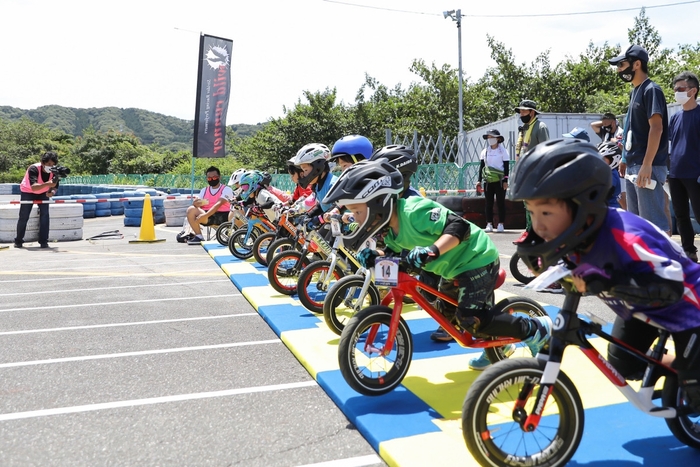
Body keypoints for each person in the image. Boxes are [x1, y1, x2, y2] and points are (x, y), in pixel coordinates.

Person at [509, 138, 700, 412]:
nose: (538, 225)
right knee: (623, 364)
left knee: (697, 391)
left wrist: (607, 281)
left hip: (690, 307)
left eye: (546, 212)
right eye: (532, 212)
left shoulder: (628, 238)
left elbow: (670, 286)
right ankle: (679, 372)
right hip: (641, 309)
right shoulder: (576, 234)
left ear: (582, 206)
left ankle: (689, 377)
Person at [322, 159, 552, 370]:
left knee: (470, 317)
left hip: (476, 258)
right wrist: (374, 256)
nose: (355, 218)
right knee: (445, 315)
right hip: (451, 268)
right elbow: (392, 253)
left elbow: (459, 227)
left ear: (378, 202)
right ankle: (498, 345)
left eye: (357, 211)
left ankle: (535, 328)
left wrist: (433, 250)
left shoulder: (414, 211)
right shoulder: (389, 231)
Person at [608, 44, 670, 235]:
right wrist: (625, 158)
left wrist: (647, 164)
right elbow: (631, 130)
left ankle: (663, 262)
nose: (619, 69)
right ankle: (642, 264)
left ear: (636, 64)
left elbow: (656, 128)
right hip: (635, 165)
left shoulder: (651, 90)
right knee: (637, 225)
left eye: (621, 64)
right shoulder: (635, 91)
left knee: (654, 225)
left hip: (647, 166)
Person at [668, 71, 700, 263]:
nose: (676, 92)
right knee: (681, 215)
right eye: (675, 89)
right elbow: (674, 144)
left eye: (681, 89)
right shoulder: (675, 117)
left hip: (695, 173)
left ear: (693, 91)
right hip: (676, 173)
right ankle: (689, 252)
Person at [15, 151, 60, 249]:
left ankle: (44, 241)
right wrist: (48, 184)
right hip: (28, 191)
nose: (51, 166)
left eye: (53, 164)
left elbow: (55, 186)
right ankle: (18, 240)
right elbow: (34, 187)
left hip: (43, 193)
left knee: (45, 215)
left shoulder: (55, 171)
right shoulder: (34, 169)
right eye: (48, 164)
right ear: (43, 163)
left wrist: (52, 193)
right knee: (24, 216)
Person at [185, 166, 234, 245]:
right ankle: (199, 236)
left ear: (219, 177)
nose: (212, 180)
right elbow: (197, 203)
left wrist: (205, 216)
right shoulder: (204, 190)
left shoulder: (226, 189)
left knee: (211, 210)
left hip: (223, 216)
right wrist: (196, 203)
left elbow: (218, 204)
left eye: (214, 178)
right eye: (209, 178)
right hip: (207, 215)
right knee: (191, 209)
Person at [476, 129, 509, 233]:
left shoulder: (503, 151)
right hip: (488, 181)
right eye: (488, 138)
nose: (490, 140)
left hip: (499, 180)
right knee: (488, 203)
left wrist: (505, 181)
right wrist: (479, 180)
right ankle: (489, 223)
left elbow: (506, 167)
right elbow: (482, 167)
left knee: (500, 202)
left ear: (498, 139)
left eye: (492, 137)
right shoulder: (485, 151)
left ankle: (501, 224)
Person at [599, 142, 622, 209]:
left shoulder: (612, 174)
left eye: (603, 159)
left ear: (613, 159)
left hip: (610, 209)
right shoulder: (605, 172)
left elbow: (604, 194)